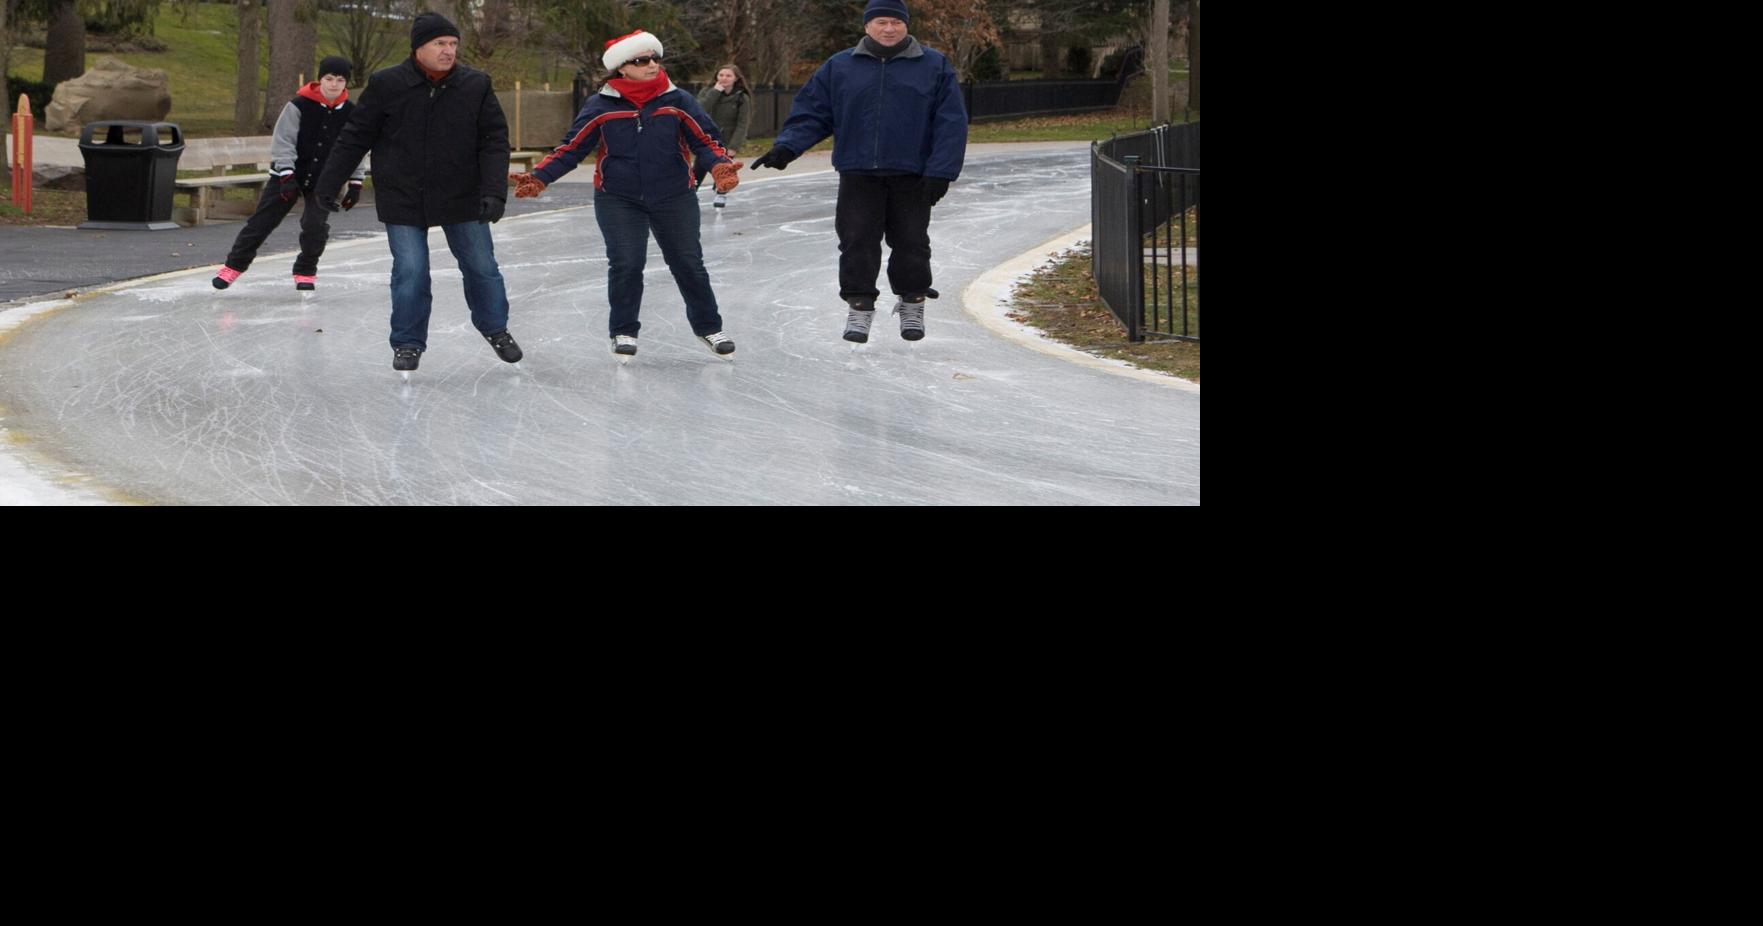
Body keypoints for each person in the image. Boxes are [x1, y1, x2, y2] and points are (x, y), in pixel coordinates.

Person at [510, 29, 742, 361]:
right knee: (626, 263)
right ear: (622, 67)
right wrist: (540, 178)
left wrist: (720, 166)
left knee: (688, 262)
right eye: (642, 60)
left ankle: (708, 327)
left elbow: (705, 139)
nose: (652, 65)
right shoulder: (601, 105)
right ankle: (624, 330)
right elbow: (571, 148)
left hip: (674, 194)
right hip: (618, 197)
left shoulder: (677, 100)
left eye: (655, 59)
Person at [312, 11, 522, 374]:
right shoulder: (386, 84)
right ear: (418, 48)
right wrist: (328, 184)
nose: (448, 51)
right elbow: (354, 138)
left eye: (453, 44)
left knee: (482, 267)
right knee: (410, 270)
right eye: (440, 43)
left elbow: (494, 141)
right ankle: (408, 342)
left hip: (462, 194)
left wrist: (494, 191)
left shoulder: (475, 84)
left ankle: (495, 328)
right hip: (403, 194)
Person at [751, 0, 966, 343]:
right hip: (858, 171)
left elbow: (951, 122)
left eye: (896, 22)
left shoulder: (933, 65)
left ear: (906, 25)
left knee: (911, 242)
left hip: (912, 174)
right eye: (882, 21)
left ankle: (912, 302)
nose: (889, 28)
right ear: (867, 26)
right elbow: (813, 113)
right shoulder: (841, 67)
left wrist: (941, 171)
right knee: (857, 240)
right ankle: (860, 306)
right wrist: (787, 147)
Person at [211, 57, 365, 292]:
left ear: (346, 83)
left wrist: (355, 182)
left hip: (324, 179)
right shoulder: (299, 105)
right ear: (320, 79)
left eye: (340, 80)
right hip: (289, 173)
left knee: (315, 226)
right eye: (329, 79)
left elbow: (354, 148)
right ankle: (234, 266)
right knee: (261, 222)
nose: (334, 84)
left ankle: (305, 269)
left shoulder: (352, 113)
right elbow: (283, 141)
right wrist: (286, 175)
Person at [695, 64, 751, 208]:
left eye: (728, 76)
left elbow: (742, 124)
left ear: (736, 78)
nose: (724, 78)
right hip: (707, 139)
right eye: (721, 75)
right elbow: (699, 110)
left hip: (728, 140)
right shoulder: (707, 92)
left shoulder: (741, 98)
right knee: (699, 168)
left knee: (725, 169)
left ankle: (721, 193)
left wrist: (734, 146)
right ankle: (690, 194)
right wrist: (715, 92)